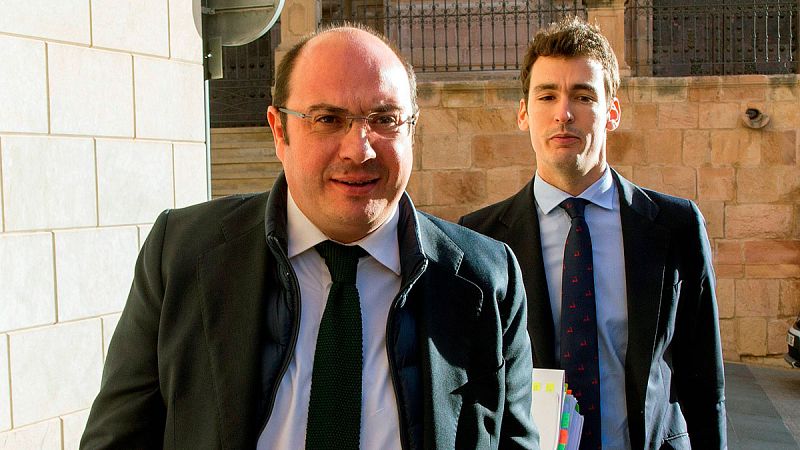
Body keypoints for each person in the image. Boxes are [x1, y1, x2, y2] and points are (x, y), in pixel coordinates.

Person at [81, 24, 538, 449]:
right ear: (279, 131)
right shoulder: (183, 254)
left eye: (384, 118)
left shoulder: (486, 280)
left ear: (412, 130)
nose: (359, 149)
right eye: (327, 119)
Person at [459, 17, 726, 450]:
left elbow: (704, 383)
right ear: (523, 113)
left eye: (583, 96)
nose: (564, 113)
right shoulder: (479, 240)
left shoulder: (675, 226)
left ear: (612, 112)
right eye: (547, 95)